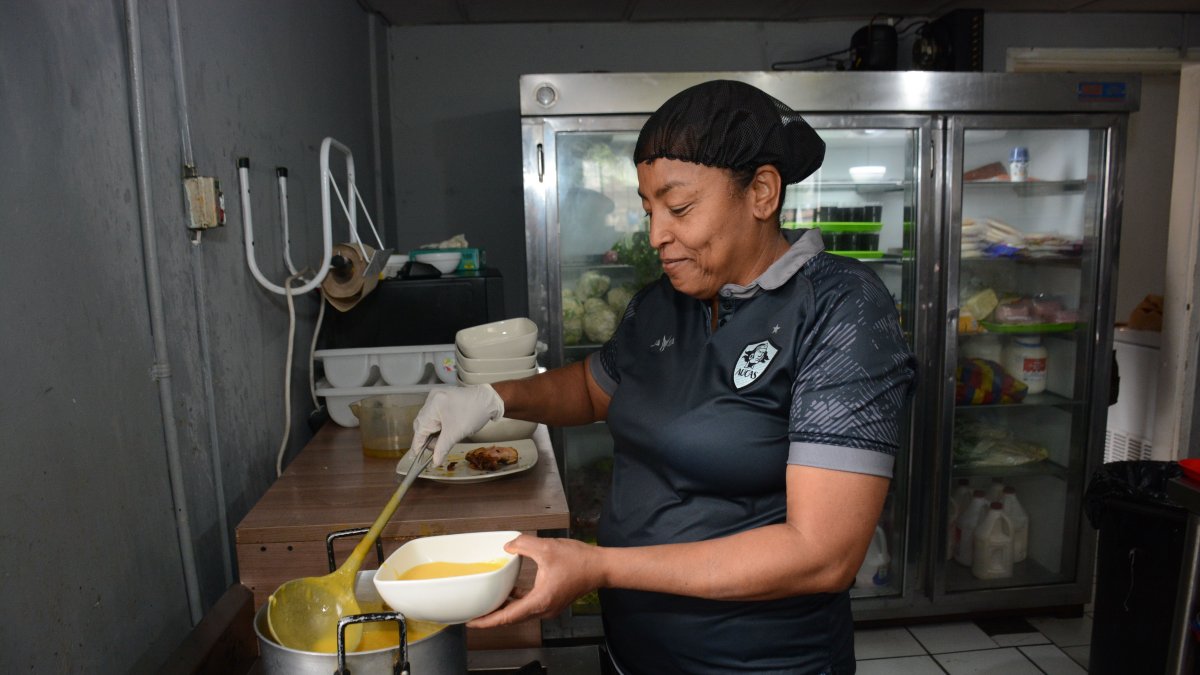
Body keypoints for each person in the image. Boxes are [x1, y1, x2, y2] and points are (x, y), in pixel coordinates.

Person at [411, 80, 917, 674]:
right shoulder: (662, 301)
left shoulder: (841, 308)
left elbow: (822, 554)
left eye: (678, 209)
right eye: (649, 210)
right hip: (633, 652)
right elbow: (590, 389)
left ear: (761, 192)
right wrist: (491, 399)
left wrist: (599, 567)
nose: (656, 236)